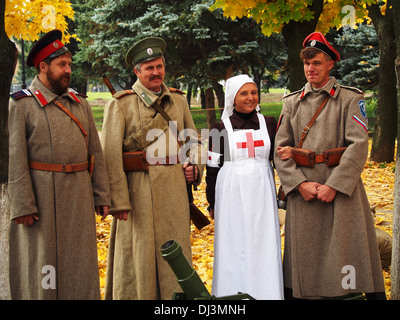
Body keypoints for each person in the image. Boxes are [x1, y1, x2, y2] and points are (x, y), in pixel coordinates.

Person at [274, 32, 385, 299]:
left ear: (330, 64)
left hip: (340, 192)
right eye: (307, 64)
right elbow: (280, 151)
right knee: (306, 260)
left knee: (345, 255)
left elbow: (358, 146)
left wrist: (334, 185)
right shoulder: (291, 102)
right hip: (305, 193)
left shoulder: (349, 99)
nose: (310, 69)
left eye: (317, 63)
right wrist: (299, 184)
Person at [8, 29, 111, 299]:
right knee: (45, 267)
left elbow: (95, 155)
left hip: (78, 196)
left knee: (80, 263)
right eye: (61, 65)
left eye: (69, 64)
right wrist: (23, 205)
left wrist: (101, 194)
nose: (68, 70)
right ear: (43, 67)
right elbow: (16, 159)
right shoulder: (22, 106)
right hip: (41, 201)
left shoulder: (80, 104)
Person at [101, 37, 205, 300]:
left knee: (176, 260)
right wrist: (119, 201)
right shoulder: (120, 103)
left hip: (174, 193)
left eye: (159, 66)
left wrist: (194, 164)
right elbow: (110, 156)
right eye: (149, 68)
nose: (156, 72)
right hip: (138, 195)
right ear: (136, 72)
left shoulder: (179, 101)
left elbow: (193, 141)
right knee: (140, 260)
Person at [206, 74, 283, 300]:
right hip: (231, 193)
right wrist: (212, 203)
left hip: (262, 191)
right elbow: (213, 168)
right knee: (234, 245)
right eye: (244, 93)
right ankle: (232, 296)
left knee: (263, 244)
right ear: (233, 98)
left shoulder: (269, 123)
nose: (251, 98)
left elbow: (277, 160)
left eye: (254, 92)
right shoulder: (220, 127)